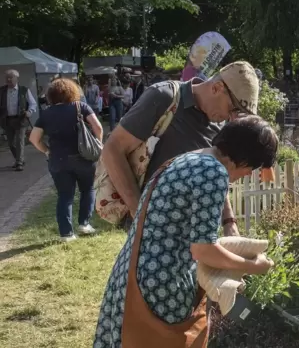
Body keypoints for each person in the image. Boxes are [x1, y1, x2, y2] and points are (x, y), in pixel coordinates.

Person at [93, 116, 278, 348]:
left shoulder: (188, 158)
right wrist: (252, 265)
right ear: (244, 156)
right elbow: (203, 249)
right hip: (162, 285)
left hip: (131, 272)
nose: (250, 174)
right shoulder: (213, 173)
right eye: (254, 166)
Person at [101, 61, 259, 237]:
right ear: (217, 87)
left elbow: (216, 175)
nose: (231, 118)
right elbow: (113, 149)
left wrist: (229, 222)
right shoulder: (164, 97)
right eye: (232, 108)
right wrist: (140, 213)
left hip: (188, 230)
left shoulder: (219, 123)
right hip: (150, 226)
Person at [29, 78, 103, 242]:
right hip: (83, 157)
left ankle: (66, 234)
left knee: (64, 196)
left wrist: (47, 151)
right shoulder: (81, 106)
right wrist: (97, 144)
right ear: (72, 92)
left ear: (51, 95)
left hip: (58, 160)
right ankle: (84, 224)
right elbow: (97, 127)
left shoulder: (46, 114)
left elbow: (34, 138)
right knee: (87, 189)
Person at [0, 69, 38, 171]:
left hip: (20, 119)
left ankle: (19, 162)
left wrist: (29, 112)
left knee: (19, 141)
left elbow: (33, 103)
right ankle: (19, 159)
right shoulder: (2, 90)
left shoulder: (24, 90)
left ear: (17, 78)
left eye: (11, 77)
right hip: (7, 120)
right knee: (11, 143)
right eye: (7, 77)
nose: (8, 79)